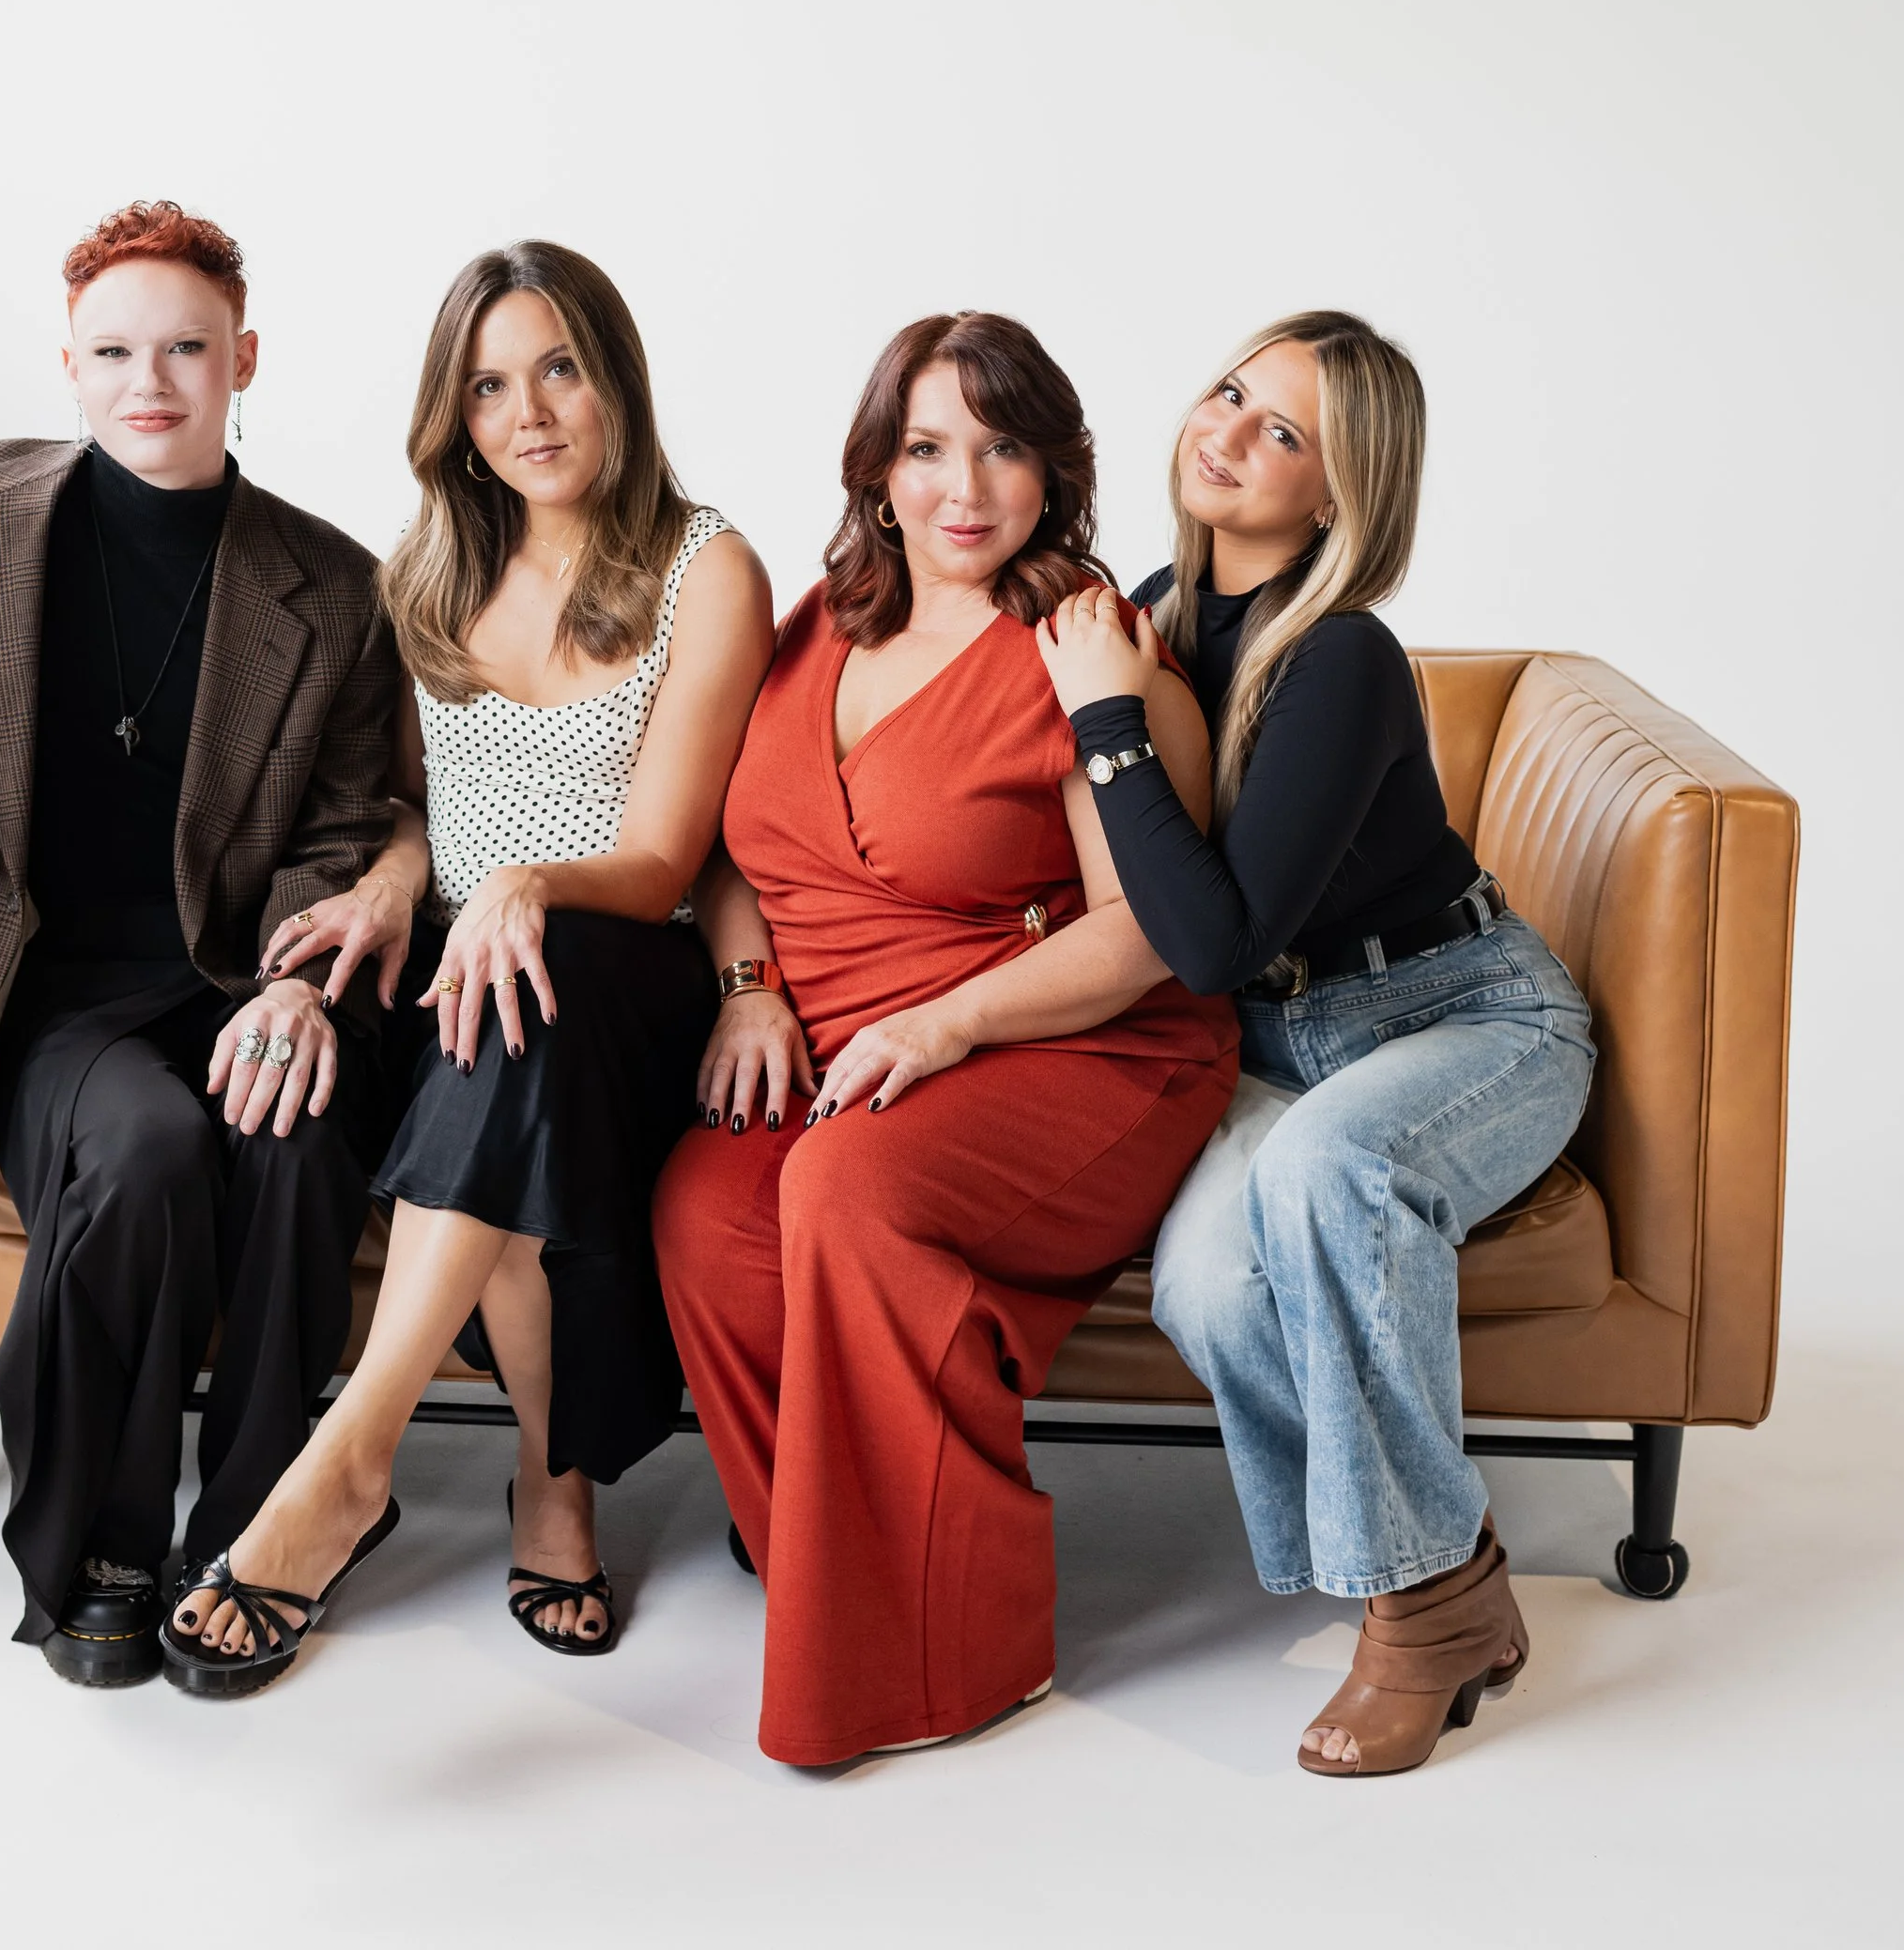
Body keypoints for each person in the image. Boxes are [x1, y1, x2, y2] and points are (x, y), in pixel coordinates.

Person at [0, 201, 421, 1686]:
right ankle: (106, 1540)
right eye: (114, 349)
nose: (150, 381)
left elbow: (347, 818)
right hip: (53, 1001)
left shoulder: (332, 582)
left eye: (186, 346)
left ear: (246, 356)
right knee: (150, 1154)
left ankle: (258, 1534)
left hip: (246, 977)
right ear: (69, 360)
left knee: (301, 1138)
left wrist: (301, 996)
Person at [162, 240, 773, 1697]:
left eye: (559, 366)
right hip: (465, 966)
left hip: (625, 959)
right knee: (493, 1025)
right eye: (490, 383)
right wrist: (397, 879)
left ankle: (347, 1462)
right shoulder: (431, 568)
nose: (530, 411)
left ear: (614, 374)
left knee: (527, 999)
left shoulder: (709, 565)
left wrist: (520, 887)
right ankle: (550, 1492)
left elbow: (671, 848)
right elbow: (412, 807)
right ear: (456, 410)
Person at [652, 314, 1239, 1768]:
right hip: (845, 1046)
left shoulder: (1086, 648)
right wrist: (747, 984)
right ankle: (844, 1572)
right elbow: (732, 834)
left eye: (1002, 444)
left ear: (1055, 470)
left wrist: (945, 1018)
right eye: (926, 446)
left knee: (847, 1192)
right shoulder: (816, 624)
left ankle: (955, 1651)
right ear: (878, 468)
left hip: (1076, 1045)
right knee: (710, 1210)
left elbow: (1141, 930)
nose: (962, 485)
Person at [1036, 310, 1597, 1779]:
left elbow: (1209, 940)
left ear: (1339, 492)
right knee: (1209, 1284)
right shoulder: (1158, 609)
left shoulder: (1340, 655)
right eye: (1230, 392)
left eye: (1283, 431)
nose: (1226, 431)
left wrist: (1105, 722)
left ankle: (1407, 1617)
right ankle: (1457, 1569)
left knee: (1332, 1172)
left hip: (1466, 1013)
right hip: (1288, 1039)